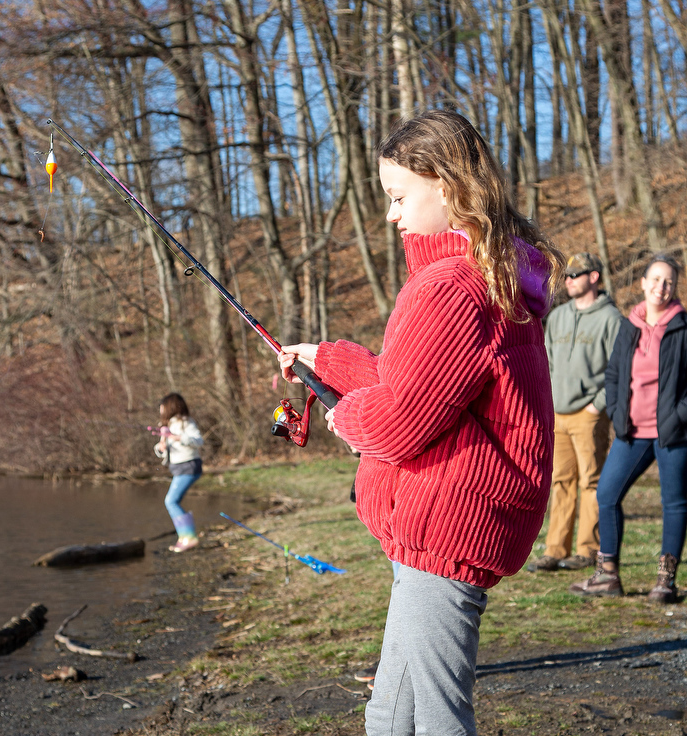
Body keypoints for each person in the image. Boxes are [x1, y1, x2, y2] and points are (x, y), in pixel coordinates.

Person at [278, 109, 564, 736]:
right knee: (389, 714)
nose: (391, 215)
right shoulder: (485, 276)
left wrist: (346, 416)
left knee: (436, 719)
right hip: (450, 522)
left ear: (449, 186)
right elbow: (422, 381)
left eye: (398, 196)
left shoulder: (449, 289)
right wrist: (326, 360)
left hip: (450, 523)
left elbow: (401, 420)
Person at [570, 254, 687, 603]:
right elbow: (615, 373)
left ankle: (665, 581)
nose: (660, 287)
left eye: (668, 281)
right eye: (655, 279)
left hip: (672, 433)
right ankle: (608, 575)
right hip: (631, 431)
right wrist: (619, 412)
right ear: (642, 283)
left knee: (674, 503)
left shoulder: (682, 328)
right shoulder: (629, 325)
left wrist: (678, 416)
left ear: (674, 287)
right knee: (606, 495)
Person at [528, 253, 623, 573]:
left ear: (594, 277)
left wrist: (598, 404)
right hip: (558, 412)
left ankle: (588, 548)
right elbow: (548, 363)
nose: (568, 281)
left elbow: (620, 368)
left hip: (589, 414)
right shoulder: (558, 317)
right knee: (560, 480)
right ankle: (555, 549)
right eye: (566, 276)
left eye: (575, 275)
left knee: (592, 481)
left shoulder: (611, 319)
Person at [154, 393, 204, 553]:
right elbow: (163, 449)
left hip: (188, 467)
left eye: (162, 408)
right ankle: (184, 538)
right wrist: (160, 448)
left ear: (170, 407)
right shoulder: (167, 425)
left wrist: (178, 437)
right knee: (173, 502)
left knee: (171, 502)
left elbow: (198, 441)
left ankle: (189, 538)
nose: (160, 411)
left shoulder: (185, 422)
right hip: (178, 468)